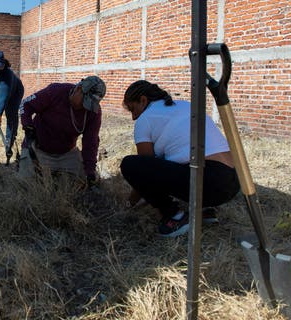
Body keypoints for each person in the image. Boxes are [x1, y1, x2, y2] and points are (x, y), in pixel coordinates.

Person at [119, 80, 240, 237]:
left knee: (130, 164)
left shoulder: (145, 119)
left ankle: (175, 216)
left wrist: (131, 202)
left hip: (209, 181)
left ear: (143, 100)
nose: (134, 117)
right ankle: (204, 210)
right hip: (235, 180)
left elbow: (144, 169)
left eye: (133, 109)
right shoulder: (185, 105)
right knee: (183, 160)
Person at [19, 75, 106, 185]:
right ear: (79, 89)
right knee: (26, 184)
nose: (85, 108)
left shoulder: (94, 112)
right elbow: (26, 104)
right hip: (38, 148)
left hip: (67, 153)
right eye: (84, 102)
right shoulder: (55, 92)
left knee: (84, 182)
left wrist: (90, 170)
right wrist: (28, 127)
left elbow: (91, 141)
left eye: (89, 105)